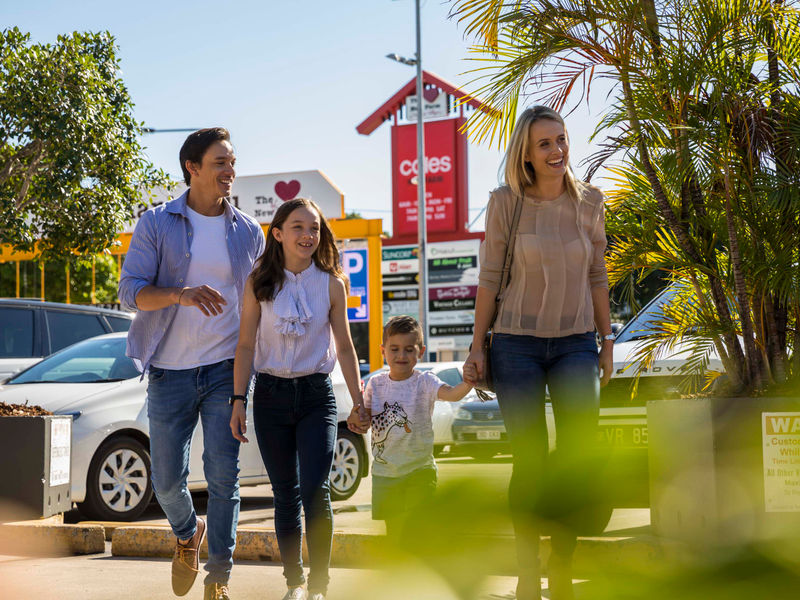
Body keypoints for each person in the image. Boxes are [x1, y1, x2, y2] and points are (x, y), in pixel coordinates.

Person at [463, 106, 613, 600]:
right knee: (529, 461)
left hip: (577, 342)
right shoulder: (506, 202)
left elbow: (597, 275)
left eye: (561, 139)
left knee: (574, 458)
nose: (557, 150)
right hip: (515, 343)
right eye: (545, 143)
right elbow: (490, 278)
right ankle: (528, 576)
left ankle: (562, 572)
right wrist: (477, 346)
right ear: (526, 154)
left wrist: (607, 341)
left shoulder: (590, 201)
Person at [118, 127, 265, 600]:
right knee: (165, 481)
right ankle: (187, 532)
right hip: (169, 371)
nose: (230, 170)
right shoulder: (157, 222)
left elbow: (263, 301)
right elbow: (129, 292)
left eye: (232, 162)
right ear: (193, 167)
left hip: (225, 368)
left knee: (223, 476)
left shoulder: (249, 232)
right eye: (220, 162)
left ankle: (219, 577)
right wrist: (179, 295)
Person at [229, 198, 368, 600]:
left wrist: (358, 401)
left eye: (315, 229)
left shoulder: (332, 284)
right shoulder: (258, 282)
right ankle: (295, 583)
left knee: (315, 490)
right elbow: (245, 345)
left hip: (316, 397)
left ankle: (320, 587)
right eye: (298, 227)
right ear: (277, 233)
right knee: (285, 494)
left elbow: (345, 347)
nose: (308, 235)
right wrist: (238, 399)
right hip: (269, 396)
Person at [364, 315, 473, 539]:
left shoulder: (425, 382)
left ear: (420, 352)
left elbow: (452, 394)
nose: (401, 355)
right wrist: (356, 418)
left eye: (409, 349)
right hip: (385, 474)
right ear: (383, 351)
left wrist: (470, 382)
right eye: (394, 349)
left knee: (419, 531)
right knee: (394, 534)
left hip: (419, 472)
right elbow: (364, 419)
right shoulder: (375, 384)